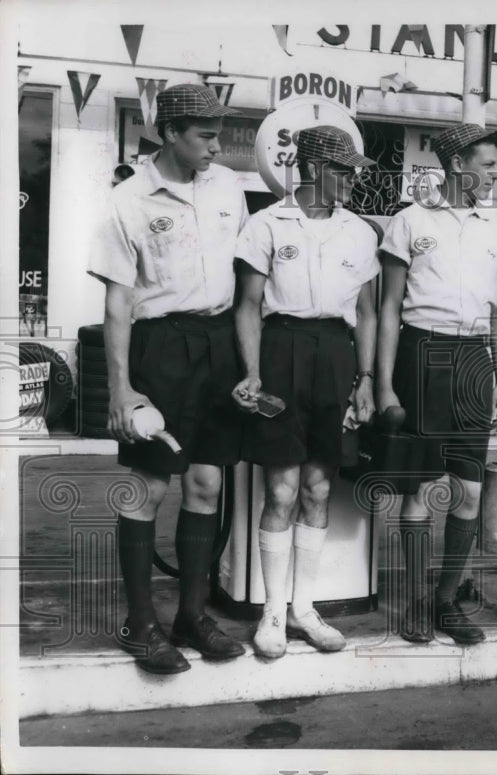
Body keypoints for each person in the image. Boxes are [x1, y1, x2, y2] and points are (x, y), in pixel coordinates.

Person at [88, 84, 248, 674]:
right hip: (160, 346)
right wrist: (122, 388)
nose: (216, 145)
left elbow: (242, 276)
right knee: (150, 486)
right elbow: (117, 303)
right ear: (170, 132)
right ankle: (140, 623)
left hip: (218, 343)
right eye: (205, 135)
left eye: (218, 133)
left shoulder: (229, 187)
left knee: (205, 485)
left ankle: (191, 615)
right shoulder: (129, 199)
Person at [231, 126, 379, 659]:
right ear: (314, 170)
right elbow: (247, 304)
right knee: (282, 491)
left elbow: (364, 313)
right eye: (344, 170)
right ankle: (271, 611)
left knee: (319, 490)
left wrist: (364, 379)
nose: (353, 180)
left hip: (335, 356)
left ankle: (303, 608)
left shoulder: (360, 232)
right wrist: (252, 371)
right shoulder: (266, 223)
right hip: (281, 350)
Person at [376, 123, 497, 646]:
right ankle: (413, 602)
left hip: (474, 359)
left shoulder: (495, 227)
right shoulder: (408, 222)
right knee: (419, 490)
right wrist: (384, 385)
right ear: (458, 165)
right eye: (488, 165)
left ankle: (447, 600)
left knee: (470, 491)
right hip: (421, 354)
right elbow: (388, 309)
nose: (496, 175)